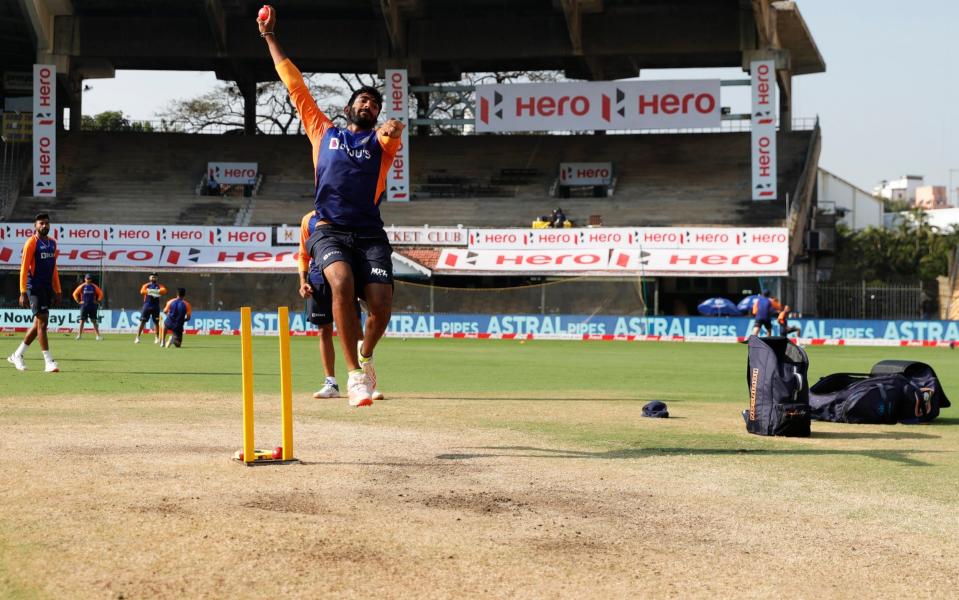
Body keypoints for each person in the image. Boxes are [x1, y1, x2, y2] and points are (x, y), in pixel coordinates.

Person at [259, 5, 404, 407]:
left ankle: (366, 354)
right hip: (329, 228)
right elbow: (294, 84)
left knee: (382, 306)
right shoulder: (323, 131)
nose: (369, 105)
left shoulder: (381, 143)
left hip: (370, 232)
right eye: (362, 100)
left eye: (375, 104)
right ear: (348, 108)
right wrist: (270, 36)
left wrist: (394, 128)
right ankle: (354, 377)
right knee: (339, 284)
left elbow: (393, 134)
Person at [298, 211, 384, 401]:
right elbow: (303, 254)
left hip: (345, 278)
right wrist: (303, 281)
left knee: (356, 329)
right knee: (324, 331)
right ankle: (331, 383)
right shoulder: (308, 220)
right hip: (318, 279)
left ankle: (365, 383)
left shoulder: (348, 212)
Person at [7, 213, 61, 372]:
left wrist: (57, 290)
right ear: (35, 226)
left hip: (46, 287)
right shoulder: (31, 242)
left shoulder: (52, 243)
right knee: (43, 321)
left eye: (46, 223)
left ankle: (17, 355)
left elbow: (54, 269)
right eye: (41, 223)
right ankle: (49, 361)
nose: (44, 226)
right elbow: (24, 268)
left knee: (38, 322)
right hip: (33, 287)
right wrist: (23, 291)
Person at [135, 273, 167, 344]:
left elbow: (164, 290)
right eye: (152, 277)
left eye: (155, 277)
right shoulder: (146, 285)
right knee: (142, 322)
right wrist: (154, 291)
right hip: (147, 305)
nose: (153, 278)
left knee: (156, 323)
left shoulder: (159, 286)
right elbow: (142, 291)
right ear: (149, 278)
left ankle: (157, 338)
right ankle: (137, 337)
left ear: (157, 278)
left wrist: (152, 291)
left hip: (155, 306)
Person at [72, 273, 104, 341]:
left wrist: (98, 301)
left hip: (92, 306)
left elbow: (101, 294)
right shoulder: (82, 286)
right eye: (87, 279)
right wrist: (78, 301)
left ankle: (98, 336)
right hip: (84, 306)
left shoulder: (94, 286)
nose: (88, 280)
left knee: (94, 321)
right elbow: (74, 293)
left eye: (89, 279)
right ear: (85, 279)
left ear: (91, 279)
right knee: (82, 321)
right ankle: (79, 336)